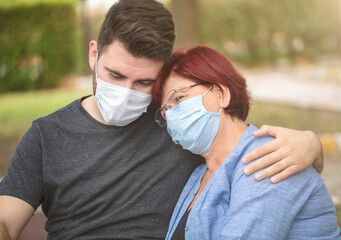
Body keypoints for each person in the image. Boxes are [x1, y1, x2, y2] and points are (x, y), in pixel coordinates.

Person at [0, 0, 324, 239]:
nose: (126, 92)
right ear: (93, 54)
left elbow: (241, 146)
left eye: (143, 83)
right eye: (114, 75)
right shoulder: (46, 136)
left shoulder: (174, 123)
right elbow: (7, 221)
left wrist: (312, 145)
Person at [152, 45, 341, 240]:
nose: (172, 116)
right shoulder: (198, 175)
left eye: (178, 98)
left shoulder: (271, 156)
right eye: (166, 110)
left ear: (221, 94)